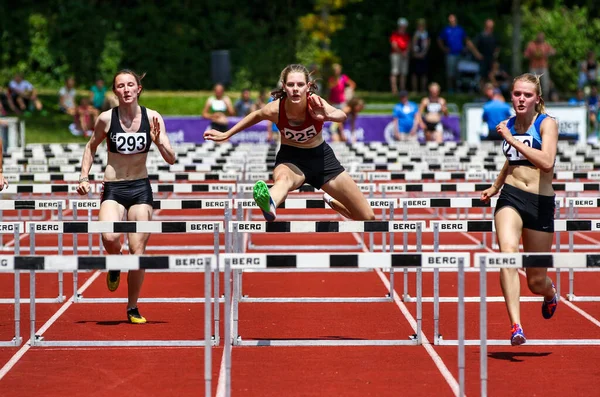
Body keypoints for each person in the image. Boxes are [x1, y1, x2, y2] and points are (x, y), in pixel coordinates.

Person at [204, 64, 374, 222]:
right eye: (291, 85)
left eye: (300, 84)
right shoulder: (276, 108)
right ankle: (269, 202)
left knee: (368, 218)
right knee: (283, 180)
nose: (295, 89)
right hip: (291, 159)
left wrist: (327, 115)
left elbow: (341, 115)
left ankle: (333, 201)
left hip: (322, 160)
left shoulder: (315, 103)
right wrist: (227, 133)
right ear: (284, 87)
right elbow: (255, 116)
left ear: (308, 87)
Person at [76, 69, 176, 324]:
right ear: (115, 91)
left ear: (138, 89)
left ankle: (132, 306)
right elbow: (91, 146)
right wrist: (84, 177)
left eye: (131, 85)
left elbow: (171, 158)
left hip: (141, 188)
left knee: (137, 249)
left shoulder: (152, 117)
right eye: (121, 86)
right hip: (114, 187)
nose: (127, 90)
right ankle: (115, 263)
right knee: (109, 237)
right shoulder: (106, 119)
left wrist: (159, 142)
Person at [480, 73, 559, 346]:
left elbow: (546, 162)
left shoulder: (547, 124)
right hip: (511, 198)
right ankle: (516, 325)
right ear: (511, 96)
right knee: (507, 254)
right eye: (517, 94)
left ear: (537, 98)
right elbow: (511, 162)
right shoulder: (508, 124)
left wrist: (512, 139)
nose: (521, 99)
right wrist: (495, 186)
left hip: (540, 202)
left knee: (535, 281)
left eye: (527, 95)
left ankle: (549, 293)